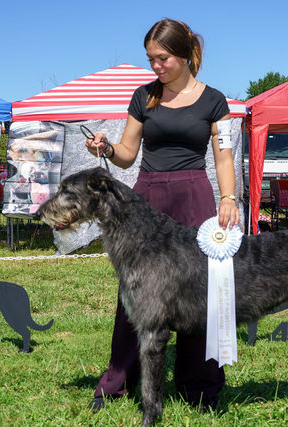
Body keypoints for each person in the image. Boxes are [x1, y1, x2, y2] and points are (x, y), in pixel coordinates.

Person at [84, 19, 239, 412]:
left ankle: (200, 386)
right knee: (135, 292)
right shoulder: (143, 96)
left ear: (185, 55)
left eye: (162, 58)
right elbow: (127, 154)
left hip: (193, 196)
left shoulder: (214, 100)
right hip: (147, 198)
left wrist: (229, 197)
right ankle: (118, 381)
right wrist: (106, 148)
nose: (155, 66)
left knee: (197, 291)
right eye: (151, 59)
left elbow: (223, 156)